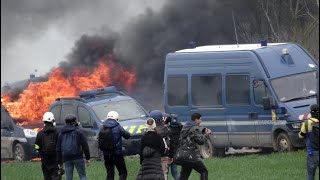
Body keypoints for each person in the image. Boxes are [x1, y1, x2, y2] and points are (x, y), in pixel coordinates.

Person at [56, 114, 90, 180]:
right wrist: (87, 158)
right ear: (74, 122)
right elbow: (85, 145)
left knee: (68, 178)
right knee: (82, 176)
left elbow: (58, 149)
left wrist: (60, 162)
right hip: (78, 157)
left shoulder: (61, 133)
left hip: (67, 158)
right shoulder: (79, 131)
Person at [179, 113, 211, 180]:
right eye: (200, 119)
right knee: (204, 171)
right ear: (196, 119)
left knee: (183, 176)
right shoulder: (194, 128)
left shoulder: (186, 126)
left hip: (184, 154)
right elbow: (200, 141)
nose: (201, 121)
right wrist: (206, 134)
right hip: (191, 155)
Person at [101, 111, 130, 180]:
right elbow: (127, 136)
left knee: (110, 173)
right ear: (117, 118)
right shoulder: (118, 126)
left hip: (106, 155)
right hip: (117, 154)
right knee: (123, 172)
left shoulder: (102, 127)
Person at [35, 112, 61, 180]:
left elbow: (37, 146)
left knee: (47, 178)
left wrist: (39, 152)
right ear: (52, 121)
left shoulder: (40, 133)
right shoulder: (57, 132)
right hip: (55, 160)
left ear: (44, 122)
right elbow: (59, 146)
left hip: (45, 161)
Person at [150, 110, 174, 180]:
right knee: (164, 174)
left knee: (153, 174)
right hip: (164, 155)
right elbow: (172, 143)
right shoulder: (167, 129)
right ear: (161, 118)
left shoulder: (148, 130)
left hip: (152, 156)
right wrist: (171, 156)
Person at [299, 104, 319, 180]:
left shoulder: (307, 123)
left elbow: (301, 136)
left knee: (311, 175)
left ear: (311, 112)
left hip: (312, 152)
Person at [164, 114, 182, 180]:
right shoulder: (180, 128)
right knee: (175, 172)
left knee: (165, 172)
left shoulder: (168, 129)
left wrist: (166, 121)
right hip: (175, 152)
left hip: (168, 152)